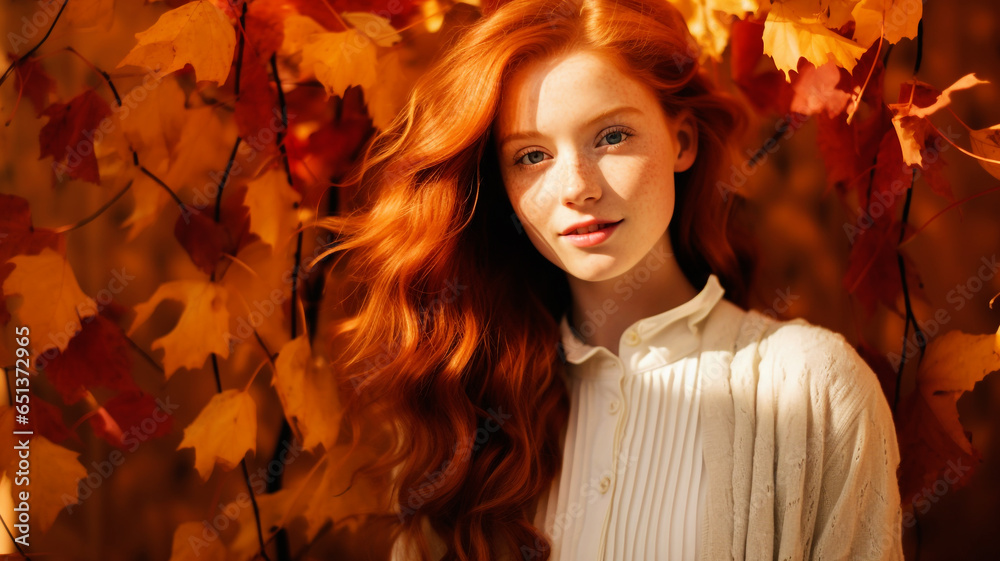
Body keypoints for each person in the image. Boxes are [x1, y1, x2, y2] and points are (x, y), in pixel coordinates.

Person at [313, 0, 904, 559]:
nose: (576, 187)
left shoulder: (814, 387)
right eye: (531, 156)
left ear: (681, 140)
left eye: (611, 136)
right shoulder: (463, 411)